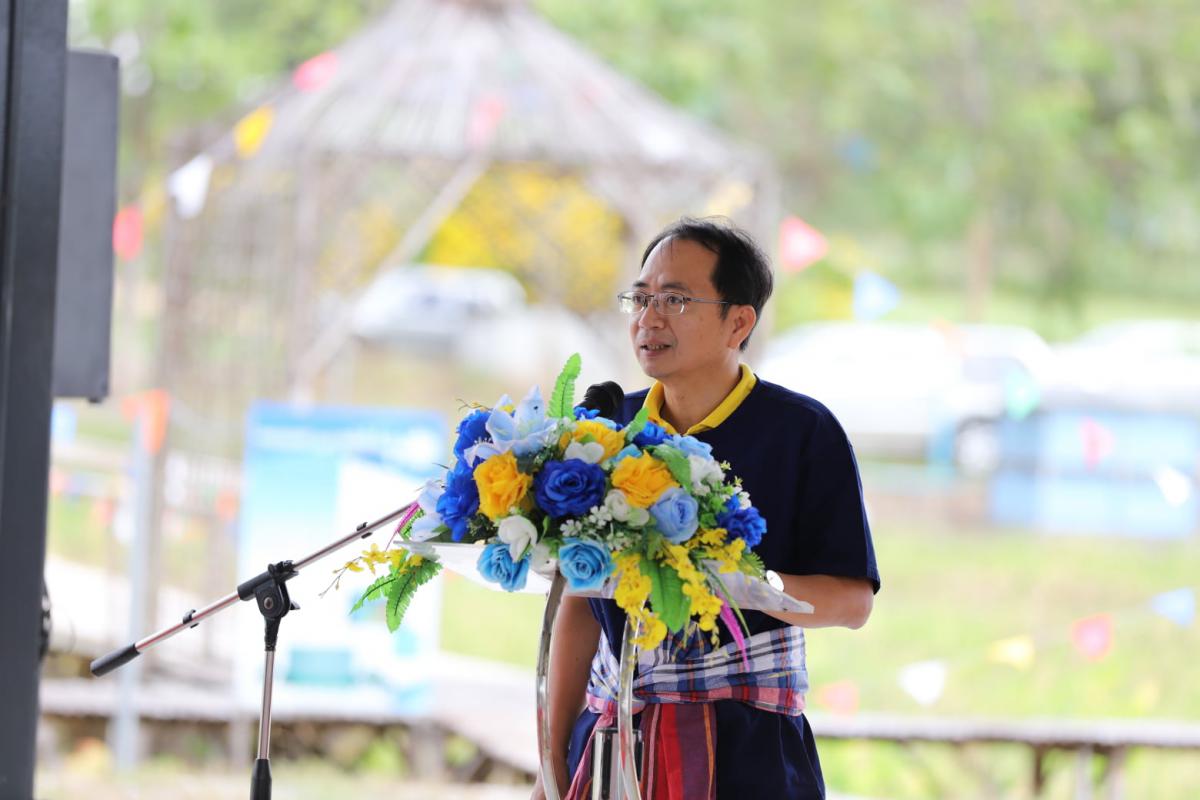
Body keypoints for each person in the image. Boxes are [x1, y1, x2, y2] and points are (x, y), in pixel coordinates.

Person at [533, 217, 880, 799]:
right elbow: (580, 606)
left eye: (675, 299)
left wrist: (751, 585)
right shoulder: (605, 429)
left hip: (748, 751)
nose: (649, 318)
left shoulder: (802, 431)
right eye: (641, 298)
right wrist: (550, 764)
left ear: (738, 322)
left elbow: (853, 602)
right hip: (610, 738)